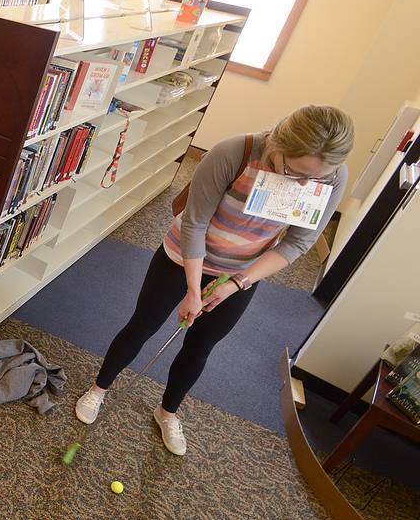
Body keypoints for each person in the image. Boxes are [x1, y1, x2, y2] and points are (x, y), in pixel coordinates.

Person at [75, 105, 355, 456]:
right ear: (279, 144)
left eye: (314, 178)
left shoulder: (332, 176)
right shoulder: (233, 152)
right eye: (294, 172)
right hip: (182, 257)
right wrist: (193, 290)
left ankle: (168, 412)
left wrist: (237, 283)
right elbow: (194, 223)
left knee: (201, 345)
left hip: (241, 272)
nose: (302, 184)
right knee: (142, 325)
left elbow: (298, 242)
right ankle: (99, 389)